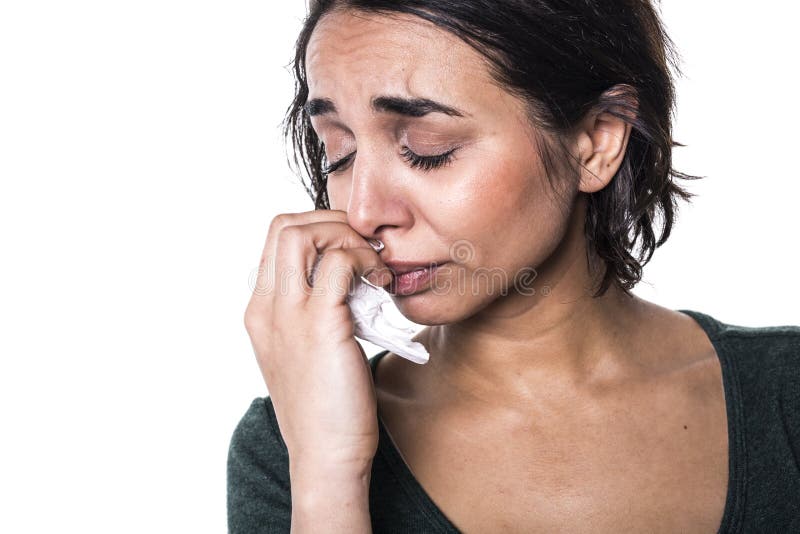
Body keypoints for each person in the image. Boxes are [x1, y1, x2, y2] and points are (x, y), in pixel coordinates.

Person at [228, 1, 800, 532]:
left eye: (428, 148)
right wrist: (328, 472)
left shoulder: (786, 394)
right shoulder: (289, 447)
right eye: (340, 152)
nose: (363, 211)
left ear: (596, 142)